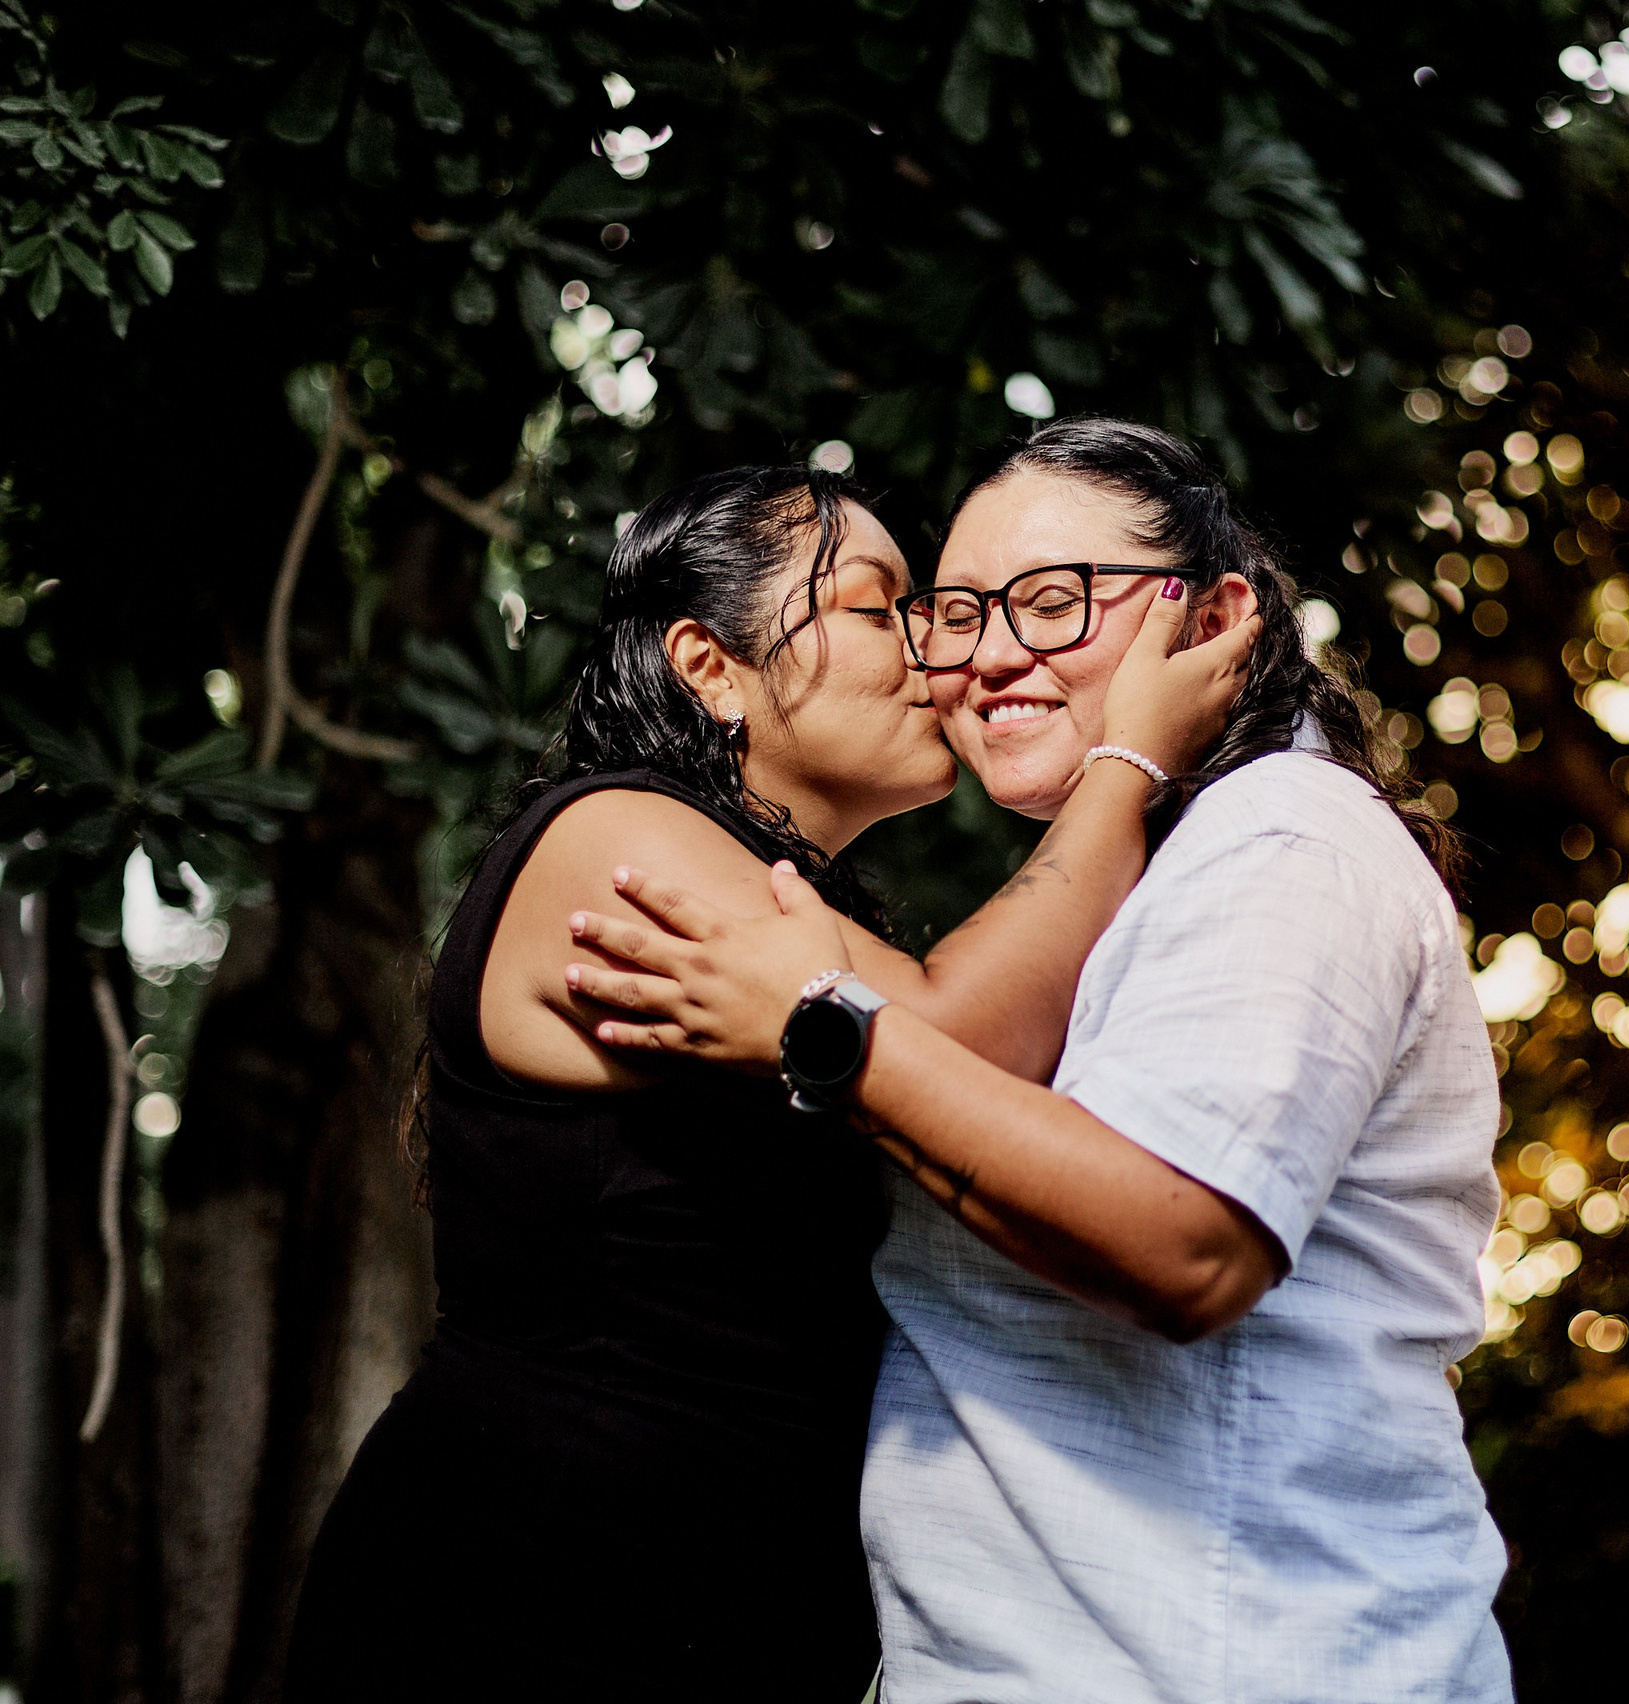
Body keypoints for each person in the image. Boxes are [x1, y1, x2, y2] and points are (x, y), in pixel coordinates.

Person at [563, 419, 1515, 1704]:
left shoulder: (1282, 843)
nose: (992, 653)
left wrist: (827, 1035)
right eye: (956, 615)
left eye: (1057, 603)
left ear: (1214, 615)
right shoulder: (1124, 881)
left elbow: (1188, 1241)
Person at [282, 462, 1255, 1702]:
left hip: (718, 1621)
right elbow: (953, 1044)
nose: (930, 649)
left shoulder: (795, 897)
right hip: (528, 1604)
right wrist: (1126, 761)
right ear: (708, 665)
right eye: (872, 604)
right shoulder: (614, 840)